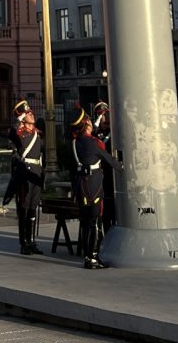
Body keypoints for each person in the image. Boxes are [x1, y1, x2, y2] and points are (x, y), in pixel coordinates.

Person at [7, 99, 45, 255]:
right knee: (24, 207)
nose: (32, 114)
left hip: (37, 173)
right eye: (28, 113)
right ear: (22, 117)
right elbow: (11, 134)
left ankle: (32, 241)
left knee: (33, 208)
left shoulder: (38, 133)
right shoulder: (19, 134)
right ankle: (24, 243)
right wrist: (19, 121)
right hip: (25, 173)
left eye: (31, 112)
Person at [69, 111, 105, 269]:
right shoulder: (92, 142)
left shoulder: (76, 142)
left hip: (81, 186)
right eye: (89, 119)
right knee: (94, 222)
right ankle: (93, 257)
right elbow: (103, 153)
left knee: (85, 223)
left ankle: (87, 256)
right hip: (94, 185)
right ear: (86, 124)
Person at [92, 100, 116, 227]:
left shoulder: (114, 131)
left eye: (105, 114)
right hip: (101, 173)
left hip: (111, 172)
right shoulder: (96, 133)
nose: (103, 118)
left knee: (113, 204)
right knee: (103, 208)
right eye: (100, 115)